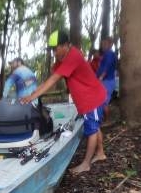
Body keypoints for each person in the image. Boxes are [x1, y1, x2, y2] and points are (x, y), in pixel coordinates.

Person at [20, 30, 107, 174]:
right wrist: (31, 94)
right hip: (88, 99)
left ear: (66, 45)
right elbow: (51, 78)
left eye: (56, 48)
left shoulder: (73, 56)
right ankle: (100, 153)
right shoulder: (62, 60)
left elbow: (54, 80)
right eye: (52, 49)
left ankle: (86, 164)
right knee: (95, 126)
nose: (54, 52)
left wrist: (32, 97)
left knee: (91, 130)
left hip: (92, 99)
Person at [2, 58, 42, 142]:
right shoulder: (30, 72)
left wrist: (3, 99)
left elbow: (8, 84)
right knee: (33, 123)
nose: (11, 65)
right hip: (34, 103)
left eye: (13, 63)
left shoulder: (17, 71)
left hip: (23, 104)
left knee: (22, 125)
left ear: (19, 62)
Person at [96, 36, 117, 122]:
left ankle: (107, 121)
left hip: (107, 81)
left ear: (111, 44)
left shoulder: (109, 54)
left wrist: (100, 77)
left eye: (105, 44)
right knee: (102, 101)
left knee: (103, 102)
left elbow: (106, 67)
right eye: (102, 44)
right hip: (106, 81)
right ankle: (102, 120)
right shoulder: (107, 54)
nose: (103, 46)